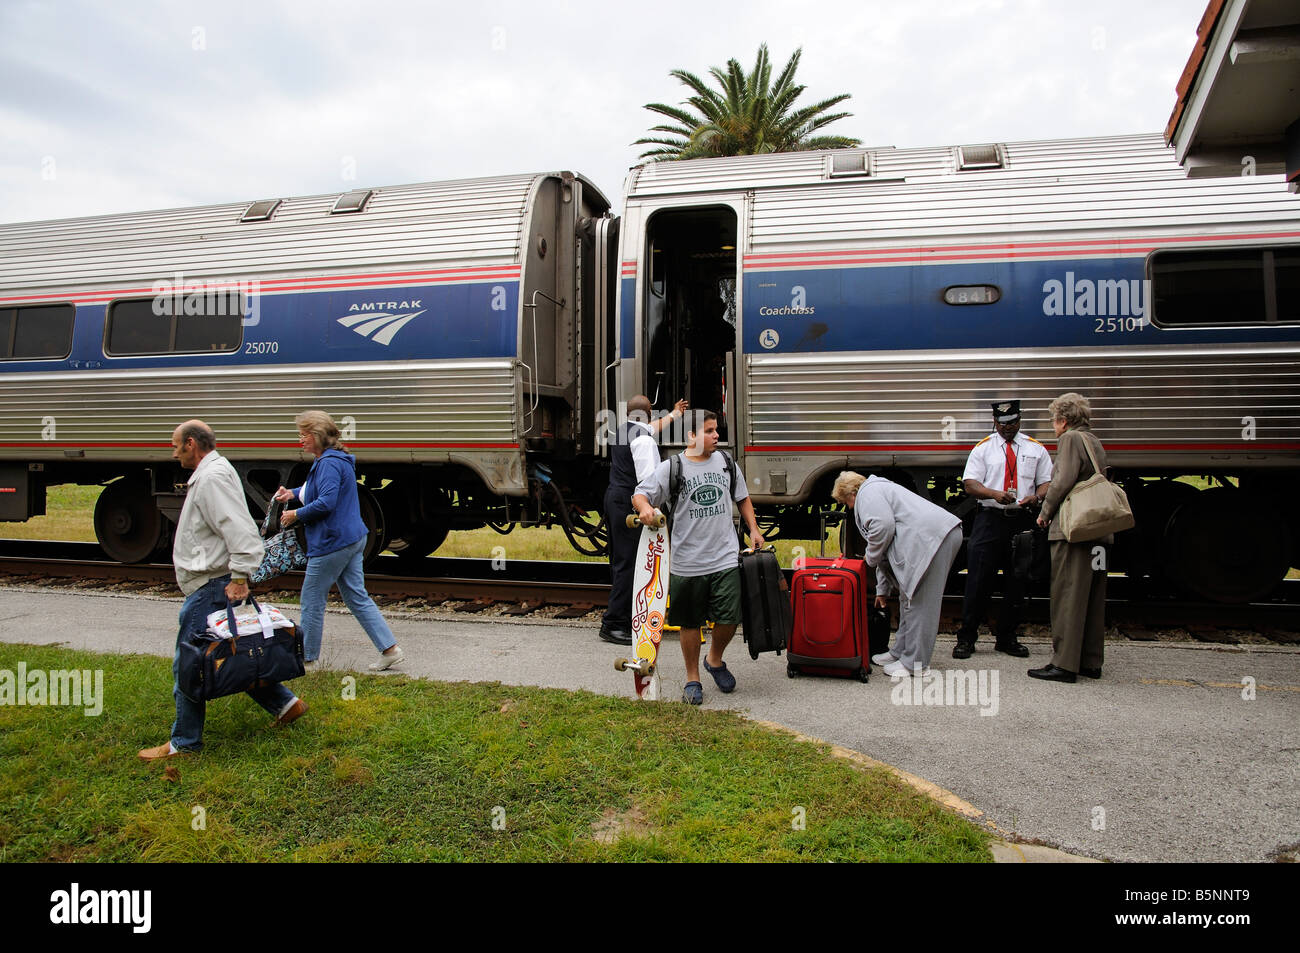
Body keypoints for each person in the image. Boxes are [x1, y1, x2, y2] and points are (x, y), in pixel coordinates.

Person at [139, 420, 306, 761]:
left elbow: (241, 531)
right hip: (219, 581)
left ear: (190, 443)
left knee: (189, 662)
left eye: (175, 445)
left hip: (214, 584)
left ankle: (184, 743)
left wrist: (240, 577)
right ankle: (286, 704)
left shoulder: (212, 478)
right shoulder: (213, 472)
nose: (172, 452)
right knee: (239, 650)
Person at [632, 409, 763, 704]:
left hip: (725, 557)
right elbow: (640, 494)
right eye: (710, 430)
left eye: (717, 430)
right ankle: (693, 677)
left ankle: (714, 659)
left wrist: (754, 530)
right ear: (691, 436)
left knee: (729, 618)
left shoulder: (727, 463)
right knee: (690, 623)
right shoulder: (672, 467)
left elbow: (742, 497)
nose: (717, 435)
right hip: (687, 561)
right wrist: (644, 509)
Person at [274, 411, 403, 671]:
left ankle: (307, 660)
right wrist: (292, 494)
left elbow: (326, 502)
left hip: (332, 542)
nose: (300, 440)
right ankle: (390, 650)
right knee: (357, 597)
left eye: (304, 435)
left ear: (318, 436)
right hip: (351, 538)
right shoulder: (335, 460)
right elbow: (317, 491)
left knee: (311, 599)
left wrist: (295, 514)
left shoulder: (328, 463)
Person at [831, 471, 962, 678]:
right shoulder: (876, 490)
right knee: (907, 598)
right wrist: (882, 591)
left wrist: (868, 558)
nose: (848, 507)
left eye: (845, 502)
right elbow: (885, 550)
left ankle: (916, 665)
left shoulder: (868, 493)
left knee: (921, 603)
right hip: (932, 538)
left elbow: (882, 527)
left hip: (933, 539)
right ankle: (900, 652)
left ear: (851, 493)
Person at [953, 400, 1054, 659]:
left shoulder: (1035, 448)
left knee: (1017, 581)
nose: (1008, 428)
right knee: (978, 580)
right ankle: (967, 638)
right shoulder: (983, 449)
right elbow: (970, 485)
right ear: (995, 422)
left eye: (1013, 423)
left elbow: (1046, 483)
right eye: (1003, 424)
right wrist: (993, 494)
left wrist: (1037, 497)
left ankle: (1007, 638)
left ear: (1020, 421)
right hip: (990, 518)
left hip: (1022, 519)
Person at [1031, 393, 1109, 683]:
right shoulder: (1094, 441)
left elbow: (1062, 480)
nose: (1053, 426)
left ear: (1063, 421)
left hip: (1074, 529)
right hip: (1097, 527)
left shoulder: (1070, 440)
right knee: (1091, 597)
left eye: (1054, 420)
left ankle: (1064, 664)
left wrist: (1046, 511)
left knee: (1067, 595)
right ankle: (1090, 661)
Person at [600, 395, 688, 645]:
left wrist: (674, 414)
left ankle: (624, 617)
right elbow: (650, 483)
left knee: (621, 560)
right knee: (631, 563)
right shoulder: (644, 441)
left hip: (615, 499)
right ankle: (614, 624)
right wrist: (656, 512)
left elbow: (654, 426)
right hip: (631, 504)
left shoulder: (623, 430)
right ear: (648, 414)